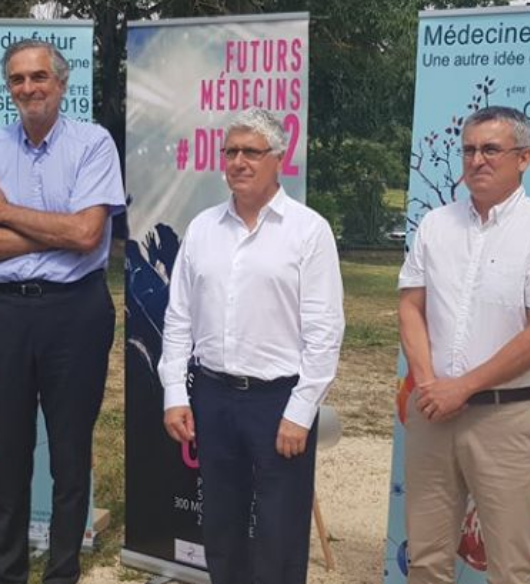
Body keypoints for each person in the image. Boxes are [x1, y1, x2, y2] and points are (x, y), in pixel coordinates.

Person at [398, 106, 530, 584]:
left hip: (507, 419)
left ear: (524, 158)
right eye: (468, 150)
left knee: (511, 568)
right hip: (433, 411)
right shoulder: (435, 225)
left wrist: (462, 387)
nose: (476, 160)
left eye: (490, 149)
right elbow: (411, 307)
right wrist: (429, 382)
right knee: (426, 559)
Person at [0, 39, 125, 584]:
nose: (28, 88)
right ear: (8, 87)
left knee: (70, 452)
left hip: (76, 312)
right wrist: (58, 230)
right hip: (6, 312)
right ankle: (7, 574)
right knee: (10, 450)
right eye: (17, 79)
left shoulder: (93, 143)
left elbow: (88, 234)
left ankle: (62, 572)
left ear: (60, 82)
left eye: (38, 77)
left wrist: (7, 212)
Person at [158, 108, 344, 584]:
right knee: (221, 523)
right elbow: (178, 318)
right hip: (213, 396)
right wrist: (175, 393)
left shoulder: (308, 231)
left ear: (278, 158)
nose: (239, 162)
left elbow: (325, 331)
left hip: (277, 401)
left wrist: (301, 411)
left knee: (280, 530)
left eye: (251, 152)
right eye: (231, 152)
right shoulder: (202, 229)